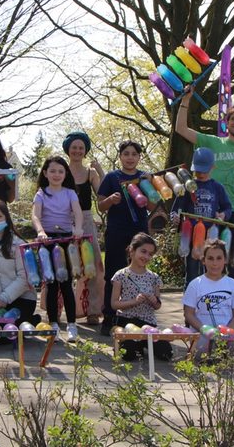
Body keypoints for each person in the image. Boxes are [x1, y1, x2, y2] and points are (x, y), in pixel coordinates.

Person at [176, 89, 234, 287]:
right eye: (233, 119)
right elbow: (181, 128)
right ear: (226, 122)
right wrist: (186, 100)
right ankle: (195, 307)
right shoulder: (213, 143)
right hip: (207, 212)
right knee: (200, 261)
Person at [97, 140, 156, 336]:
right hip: (116, 230)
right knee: (113, 275)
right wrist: (110, 200)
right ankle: (109, 317)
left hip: (139, 232)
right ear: (120, 156)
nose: (130, 157)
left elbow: (153, 207)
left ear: (139, 157)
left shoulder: (144, 177)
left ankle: (137, 317)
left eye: (134, 154)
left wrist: (150, 186)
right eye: (126, 153)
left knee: (139, 273)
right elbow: (100, 206)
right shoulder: (112, 177)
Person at [32, 156, 83, 342]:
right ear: (45, 173)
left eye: (60, 171)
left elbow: (77, 213)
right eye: (52, 171)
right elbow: (36, 216)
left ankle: (71, 325)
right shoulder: (41, 194)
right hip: (47, 242)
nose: (56, 174)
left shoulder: (70, 193)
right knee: (51, 285)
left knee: (66, 284)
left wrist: (78, 229)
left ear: (65, 174)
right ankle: (53, 323)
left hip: (66, 241)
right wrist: (40, 231)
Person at [170, 147, 232, 287]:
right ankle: (190, 303)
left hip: (211, 237)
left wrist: (223, 215)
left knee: (213, 271)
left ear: (212, 167)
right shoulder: (187, 187)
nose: (201, 173)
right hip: (191, 236)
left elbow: (227, 208)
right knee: (191, 273)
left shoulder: (217, 187)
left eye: (204, 170)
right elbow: (175, 210)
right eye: (198, 170)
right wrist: (175, 218)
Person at [63, 131, 105, 325]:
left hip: (86, 220)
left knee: (94, 264)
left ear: (85, 150)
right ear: (68, 149)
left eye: (81, 147)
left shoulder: (90, 173)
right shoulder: (60, 170)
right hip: (63, 220)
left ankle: (93, 310)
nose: (77, 151)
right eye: (74, 147)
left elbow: (104, 194)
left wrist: (100, 170)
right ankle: (57, 310)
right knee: (63, 264)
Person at [110, 233, 173, 361]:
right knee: (128, 354)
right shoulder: (120, 275)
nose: (146, 256)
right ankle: (130, 342)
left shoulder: (154, 277)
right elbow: (114, 304)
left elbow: (157, 305)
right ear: (132, 251)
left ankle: (142, 343)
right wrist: (134, 301)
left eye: (150, 254)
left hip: (148, 324)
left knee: (166, 353)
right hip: (127, 321)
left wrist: (154, 301)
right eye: (143, 251)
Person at [182, 239, 234, 354]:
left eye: (219, 258)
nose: (215, 263)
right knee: (205, 355)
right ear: (203, 261)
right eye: (210, 258)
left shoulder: (233, 284)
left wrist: (227, 331)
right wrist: (204, 329)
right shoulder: (195, 284)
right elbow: (188, 314)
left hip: (226, 336)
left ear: (225, 260)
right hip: (202, 335)